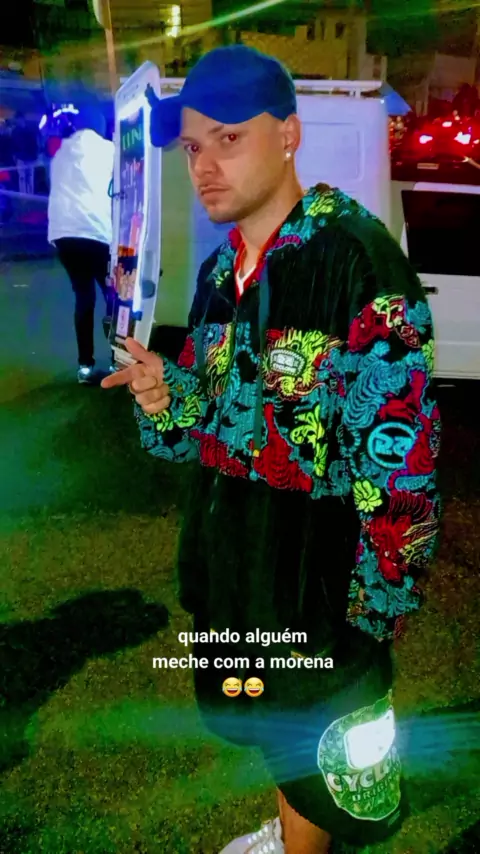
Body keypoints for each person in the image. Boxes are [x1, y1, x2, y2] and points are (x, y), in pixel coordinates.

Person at [102, 46, 441, 854]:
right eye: (193, 146)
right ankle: (290, 832)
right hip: (237, 570)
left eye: (229, 139)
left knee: (323, 752)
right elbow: (214, 418)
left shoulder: (355, 262)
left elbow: (402, 463)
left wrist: (374, 610)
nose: (204, 166)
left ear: (288, 135)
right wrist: (167, 394)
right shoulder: (221, 274)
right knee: (271, 727)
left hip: (318, 589)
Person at [47, 104, 115, 384]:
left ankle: (85, 366)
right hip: (96, 232)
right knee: (113, 297)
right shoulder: (108, 150)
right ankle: (118, 360)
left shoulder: (60, 154)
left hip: (63, 235)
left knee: (84, 298)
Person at [10, 111, 38, 195]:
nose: (17, 121)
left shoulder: (18, 131)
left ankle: (28, 194)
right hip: (23, 156)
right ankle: (25, 194)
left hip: (26, 156)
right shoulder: (17, 131)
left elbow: (34, 143)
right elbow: (13, 144)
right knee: (24, 177)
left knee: (27, 177)